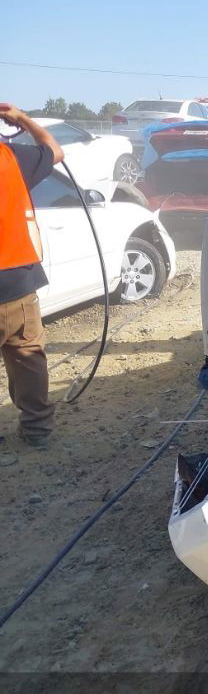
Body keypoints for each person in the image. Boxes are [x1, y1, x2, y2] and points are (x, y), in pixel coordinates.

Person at [0, 103, 65, 447]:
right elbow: (55, 150)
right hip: (17, 285)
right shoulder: (10, 157)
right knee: (27, 360)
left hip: (17, 279)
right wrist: (22, 119)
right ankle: (38, 431)